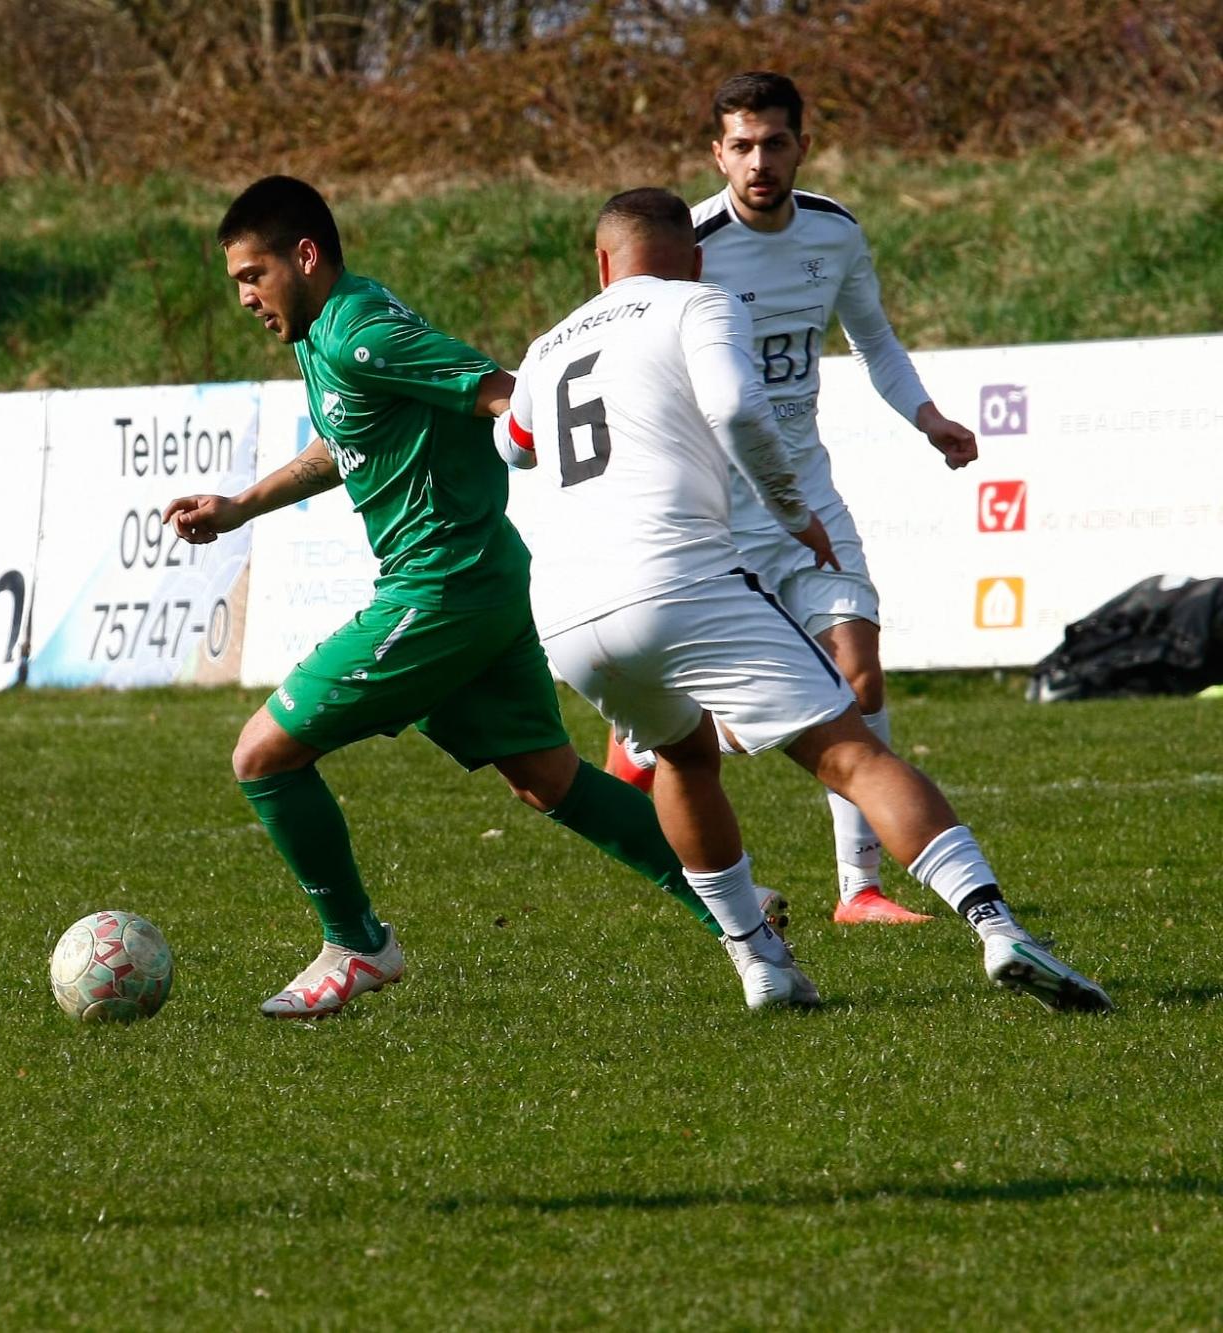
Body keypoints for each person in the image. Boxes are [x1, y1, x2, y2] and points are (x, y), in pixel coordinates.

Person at [165, 175, 791, 1018]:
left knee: (261, 755)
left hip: (444, 587)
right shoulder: (330, 334)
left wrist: (610, 477)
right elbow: (346, 438)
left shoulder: (363, 334)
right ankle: (738, 911)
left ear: (304, 256)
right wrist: (241, 505)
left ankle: (357, 943)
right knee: (547, 778)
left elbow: (507, 392)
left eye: (252, 275)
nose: (244, 296)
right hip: (480, 578)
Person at [504, 186, 1110, 1012]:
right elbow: (735, 405)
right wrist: (795, 514)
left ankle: (762, 963)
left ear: (602, 263)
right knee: (853, 753)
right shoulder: (699, 303)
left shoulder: (547, 344)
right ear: (697, 257)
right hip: (677, 580)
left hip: (568, 613)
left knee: (683, 757)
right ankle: (999, 928)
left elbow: (515, 446)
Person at [605, 71, 978, 929]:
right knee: (719, 720)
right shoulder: (687, 244)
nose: (759, 162)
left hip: (808, 493)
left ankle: (860, 889)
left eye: (775, 143)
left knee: (860, 670)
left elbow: (874, 341)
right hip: (717, 510)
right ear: (717, 154)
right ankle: (651, 749)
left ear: (802, 146)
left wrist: (928, 417)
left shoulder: (834, 232)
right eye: (741, 146)